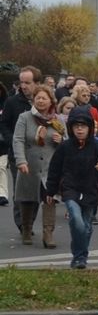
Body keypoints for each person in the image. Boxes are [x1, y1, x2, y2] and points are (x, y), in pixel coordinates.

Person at [44, 110, 98, 268]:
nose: (80, 130)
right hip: (70, 188)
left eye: (83, 126)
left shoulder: (97, 145)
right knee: (77, 220)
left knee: (86, 227)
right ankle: (79, 255)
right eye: (76, 126)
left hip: (90, 189)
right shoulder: (65, 146)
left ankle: (80, 258)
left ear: (89, 128)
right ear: (71, 128)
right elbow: (55, 169)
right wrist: (50, 191)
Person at [13, 84, 64, 247]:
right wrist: (21, 161)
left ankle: (48, 234)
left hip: (50, 167)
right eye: (38, 98)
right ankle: (26, 230)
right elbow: (18, 139)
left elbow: (67, 143)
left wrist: (61, 141)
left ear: (51, 101)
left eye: (44, 98)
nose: (41, 101)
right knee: (27, 199)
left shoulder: (57, 120)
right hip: (29, 165)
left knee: (50, 199)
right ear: (34, 100)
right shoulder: (25, 117)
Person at [1, 66, 39, 209]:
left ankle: (29, 220)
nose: (23, 86)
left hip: (37, 154)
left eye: (27, 83)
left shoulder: (43, 101)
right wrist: (12, 141)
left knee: (35, 191)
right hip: (17, 153)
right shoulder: (12, 102)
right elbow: (3, 124)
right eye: (21, 82)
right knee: (20, 190)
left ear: (36, 82)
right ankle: (23, 224)